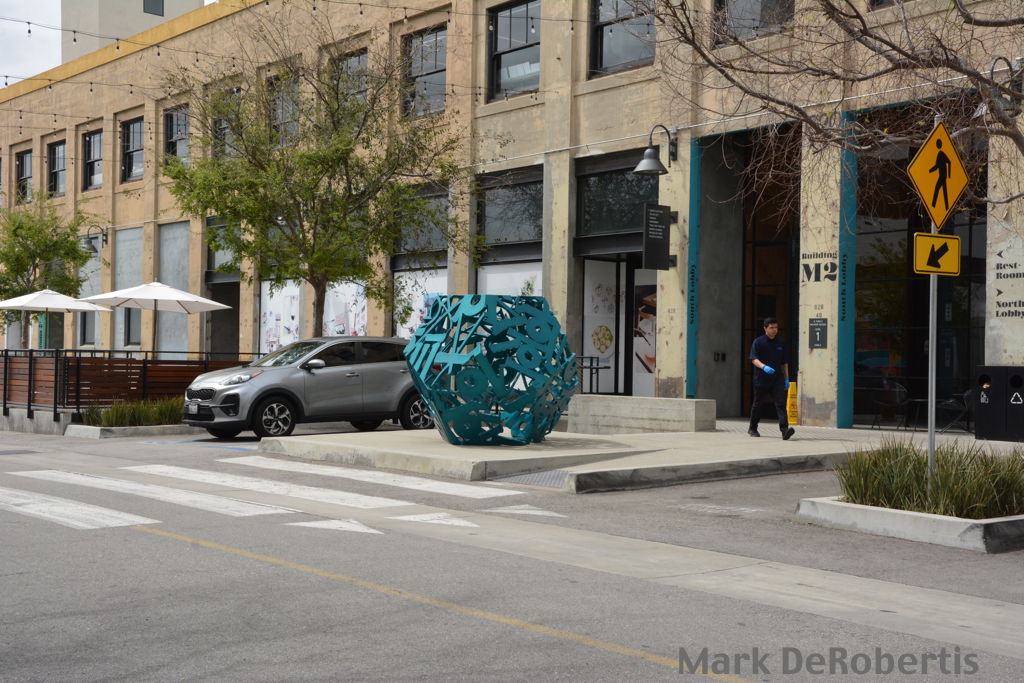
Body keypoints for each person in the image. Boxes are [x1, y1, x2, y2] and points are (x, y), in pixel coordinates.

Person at [748, 317, 795, 440]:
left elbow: (784, 363)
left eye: (776, 328)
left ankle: (785, 430)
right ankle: (752, 428)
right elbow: (754, 359)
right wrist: (764, 367)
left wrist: (786, 378)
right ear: (765, 328)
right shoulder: (758, 342)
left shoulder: (781, 343)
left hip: (777, 379)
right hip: (761, 379)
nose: (774, 330)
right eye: (771, 328)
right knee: (758, 404)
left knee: (780, 404)